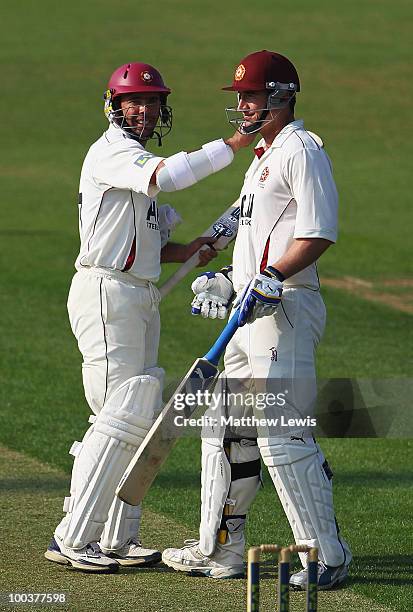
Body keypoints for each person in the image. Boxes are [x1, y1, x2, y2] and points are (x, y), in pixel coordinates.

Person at [44, 61, 254, 573]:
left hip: (138, 294)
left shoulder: (135, 162)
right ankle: (74, 538)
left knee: (139, 413)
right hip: (105, 291)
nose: (143, 110)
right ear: (114, 106)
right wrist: (235, 142)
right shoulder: (112, 153)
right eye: (133, 102)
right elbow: (172, 174)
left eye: (152, 102)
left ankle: (117, 536)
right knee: (119, 416)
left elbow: (156, 245)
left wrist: (193, 250)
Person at [162, 50, 352, 589]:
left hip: (286, 308)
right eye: (239, 96)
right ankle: (219, 551)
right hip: (251, 311)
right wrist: (230, 280)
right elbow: (256, 237)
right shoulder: (261, 158)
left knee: (280, 434)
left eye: (250, 95)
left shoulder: (303, 150)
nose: (242, 104)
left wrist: (273, 279)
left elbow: (317, 233)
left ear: (280, 96)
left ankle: (328, 555)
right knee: (225, 429)